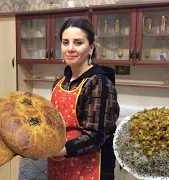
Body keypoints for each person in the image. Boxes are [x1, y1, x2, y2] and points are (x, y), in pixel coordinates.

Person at [48, 17, 120, 180]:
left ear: (91, 48)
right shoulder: (60, 81)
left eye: (78, 43)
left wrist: (61, 150)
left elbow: (96, 136)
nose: (70, 48)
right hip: (59, 163)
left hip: (90, 167)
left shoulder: (99, 83)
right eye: (65, 42)